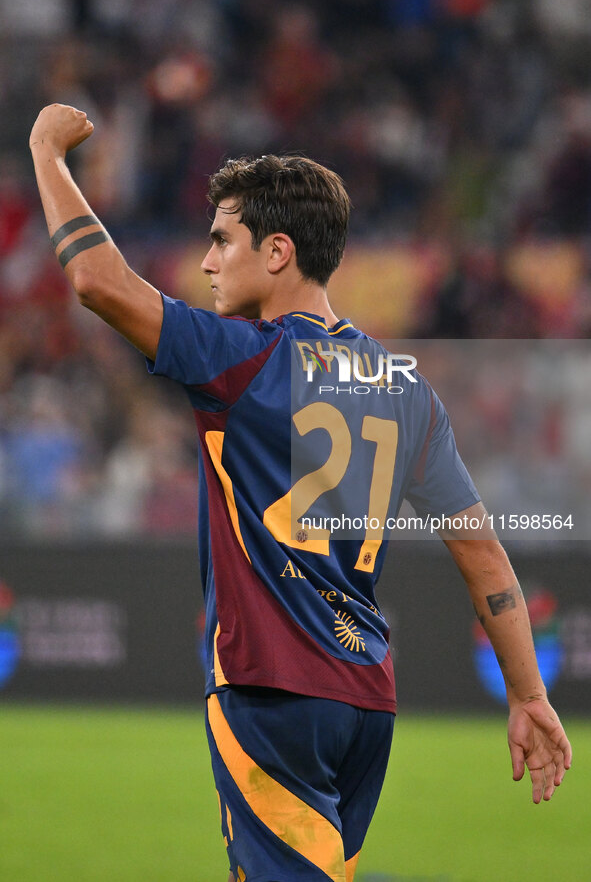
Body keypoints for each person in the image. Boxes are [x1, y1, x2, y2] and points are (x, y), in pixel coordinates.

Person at [29, 104, 572, 882]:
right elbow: (481, 552)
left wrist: (47, 151)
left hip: (270, 692)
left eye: (222, 240)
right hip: (364, 705)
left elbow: (94, 280)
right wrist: (527, 693)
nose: (207, 262)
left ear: (278, 251)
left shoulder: (238, 360)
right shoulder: (404, 388)